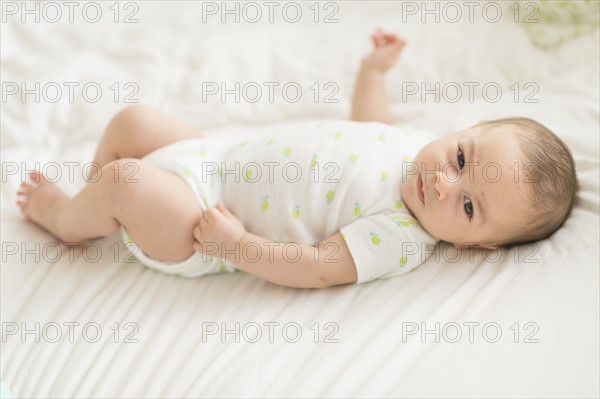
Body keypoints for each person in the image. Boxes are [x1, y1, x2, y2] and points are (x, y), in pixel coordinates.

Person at [16, 30, 578, 289]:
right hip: (208, 153)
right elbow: (370, 126)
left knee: (127, 181)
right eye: (460, 157)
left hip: (200, 220)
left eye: (470, 206)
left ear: (472, 245)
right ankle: (97, 205)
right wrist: (372, 73)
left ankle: (68, 220)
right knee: (131, 122)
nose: (443, 182)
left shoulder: (400, 236)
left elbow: (315, 268)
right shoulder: (412, 145)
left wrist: (235, 245)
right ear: (463, 131)